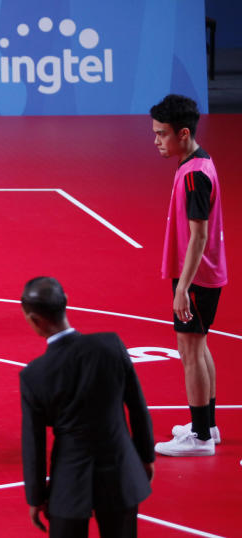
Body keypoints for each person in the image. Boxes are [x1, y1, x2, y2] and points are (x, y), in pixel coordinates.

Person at [20, 277, 155, 537]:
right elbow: (138, 406)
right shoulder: (111, 345)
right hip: (122, 474)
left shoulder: (34, 376)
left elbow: (33, 443)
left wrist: (35, 497)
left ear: (33, 320)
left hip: (69, 484)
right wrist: (146, 458)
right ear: (66, 302)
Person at [150, 94, 227, 457]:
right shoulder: (198, 161)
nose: (156, 141)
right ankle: (208, 425)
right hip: (201, 275)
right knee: (199, 344)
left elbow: (199, 235)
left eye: (162, 134)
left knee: (189, 350)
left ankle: (198, 439)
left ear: (183, 133)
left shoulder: (195, 175)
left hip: (196, 277)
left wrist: (182, 287)